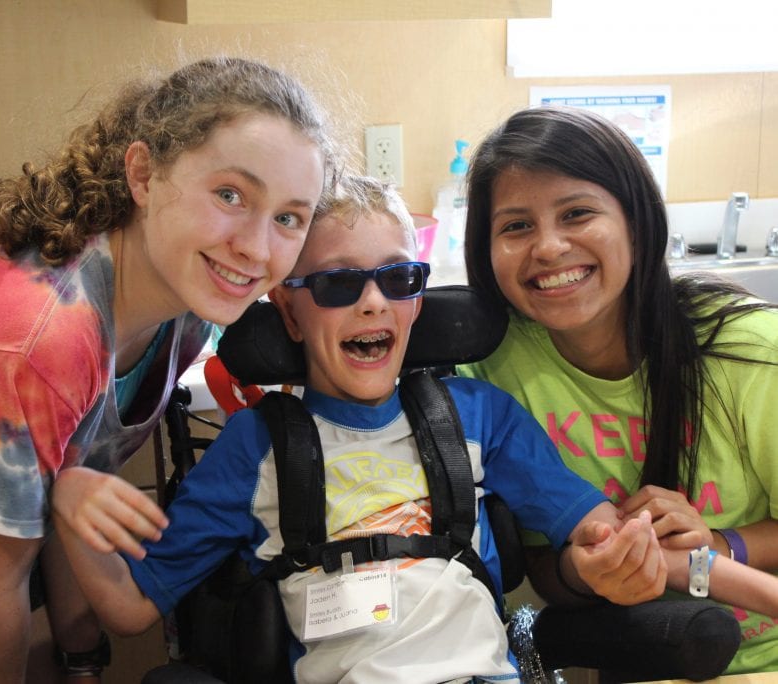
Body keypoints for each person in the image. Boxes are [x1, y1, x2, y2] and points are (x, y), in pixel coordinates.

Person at [53, 174, 778, 683]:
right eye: (338, 284)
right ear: (289, 311)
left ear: (418, 298)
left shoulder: (478, 416)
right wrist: (69, 502)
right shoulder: (255, 450)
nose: (373, 303)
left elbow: (619, 541)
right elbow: (130, 607)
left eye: (398, 279)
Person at [0, 55, 336, 683]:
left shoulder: (187, 298)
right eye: (230, 195)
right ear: (143, 175)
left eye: (288, 217)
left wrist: (83, 662)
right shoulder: (40, 337)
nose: (256, 249)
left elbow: (73, 474)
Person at [459, 105, 778, 674]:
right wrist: (588, 572)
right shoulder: (487, 374)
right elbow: (540, 564)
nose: (548, 247)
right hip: (635, 658)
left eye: (577, 213)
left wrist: (720, 545)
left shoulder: (752, 351)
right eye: (516, 226)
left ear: (637, 221)